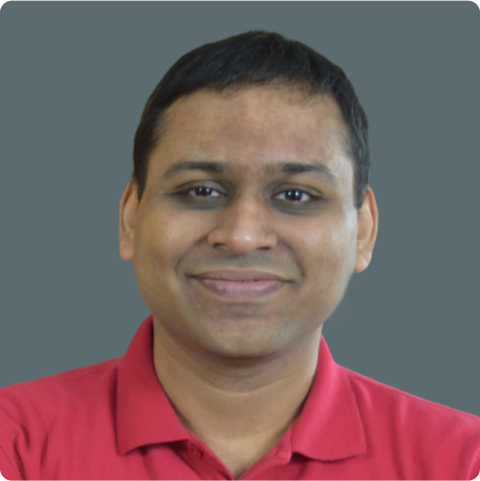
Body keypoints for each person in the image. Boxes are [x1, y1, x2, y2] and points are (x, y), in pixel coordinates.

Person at [0, 30, 479, 481]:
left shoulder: (461, 460)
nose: (243, 236)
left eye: (295, 195)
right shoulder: (15, 444)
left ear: (364, 231)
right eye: (201, 190)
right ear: (130, 217)